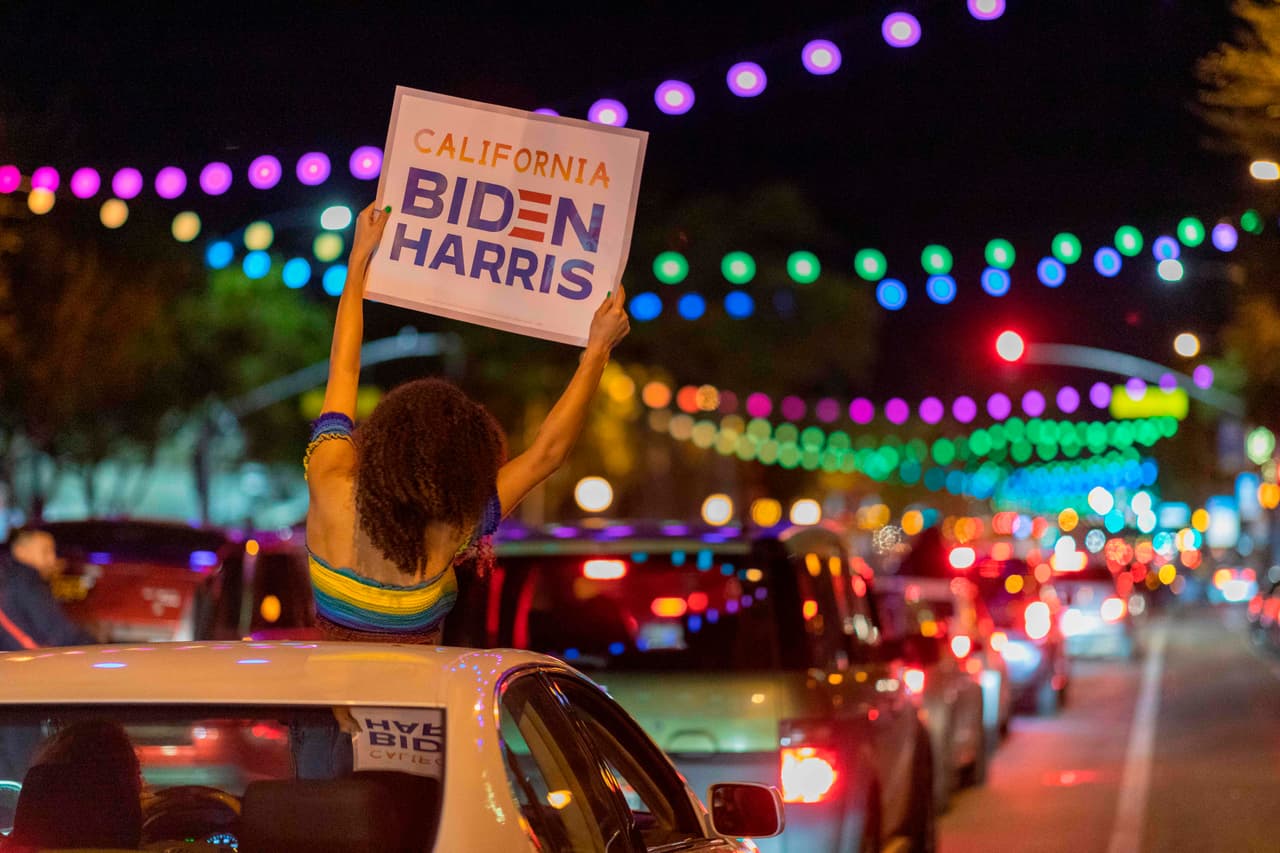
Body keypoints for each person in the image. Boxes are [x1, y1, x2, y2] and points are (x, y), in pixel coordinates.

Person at [304, 203, 631, 643]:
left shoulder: (329, 477)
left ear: (383, 438)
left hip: (327, 704)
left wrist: (359, 257)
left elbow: (343, 370)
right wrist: (597, 352)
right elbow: (546, 455)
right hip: (421, 709)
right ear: (463, 465)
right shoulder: (456, 523)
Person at [0, 528, 94, 651]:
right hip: (30, 663)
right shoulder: (26, 580)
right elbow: (58, 632)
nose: (52, 559)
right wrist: (96, 648)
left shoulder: (11, 577)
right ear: (20, 551)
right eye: (45, 552)